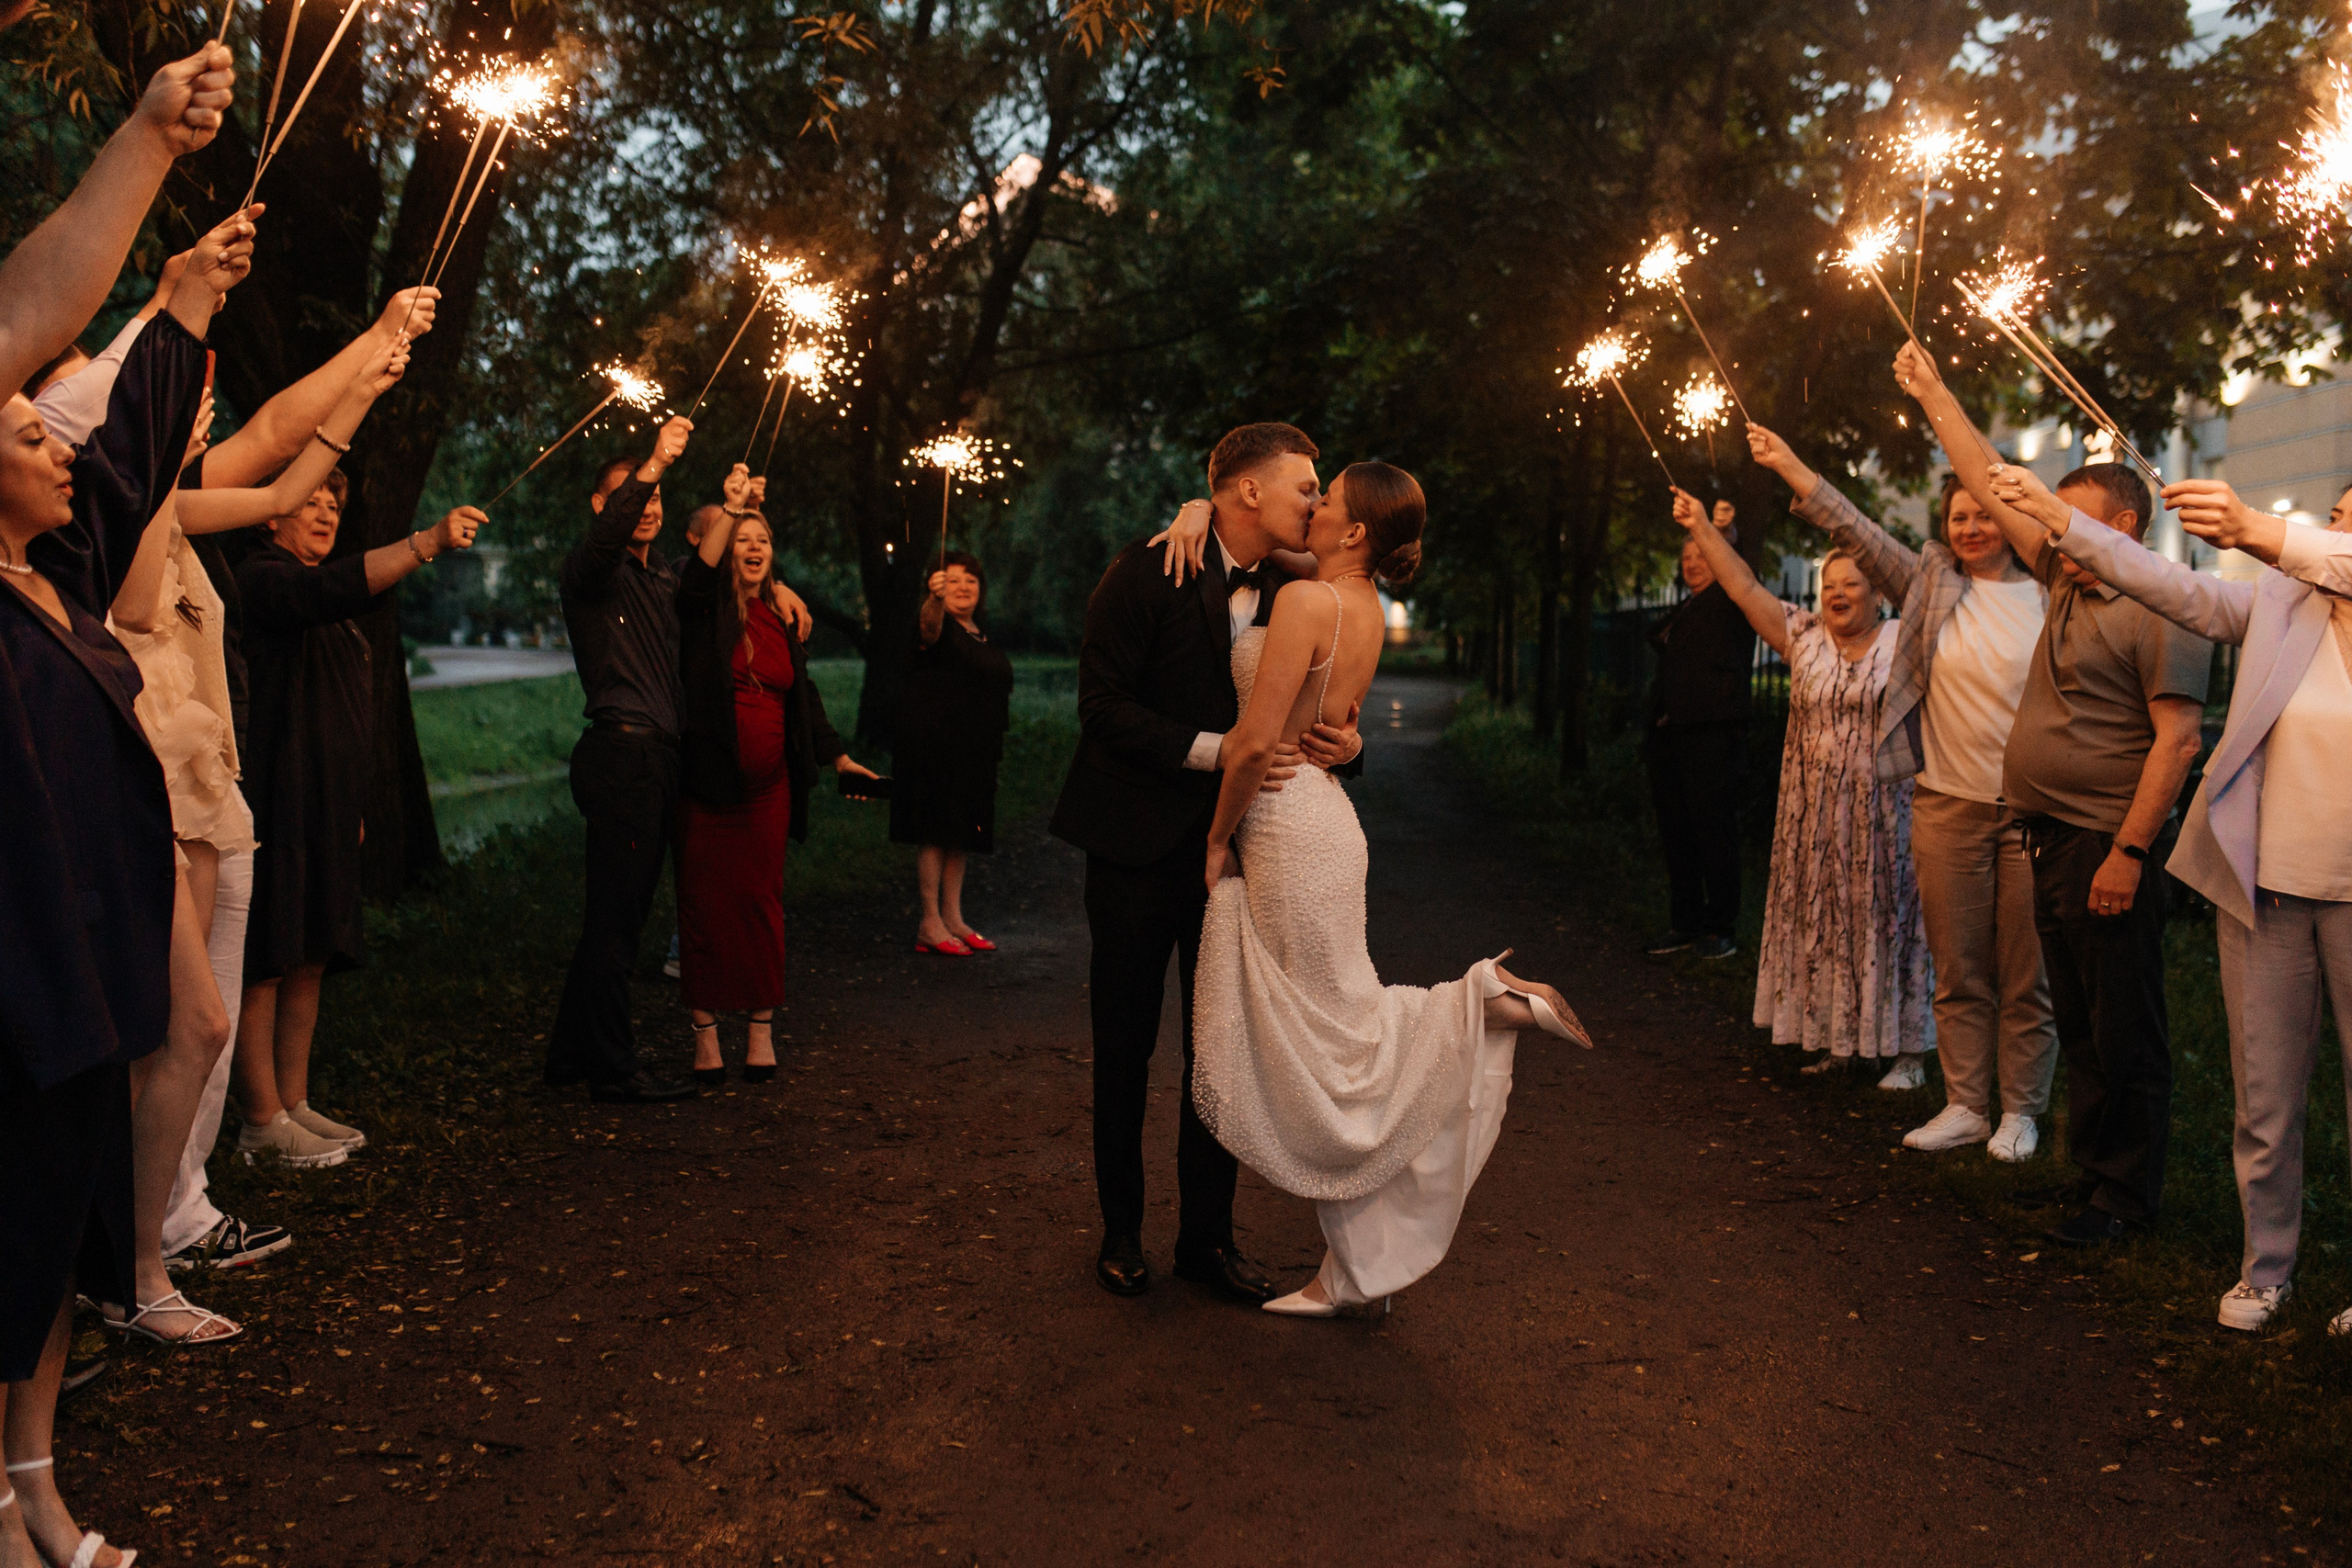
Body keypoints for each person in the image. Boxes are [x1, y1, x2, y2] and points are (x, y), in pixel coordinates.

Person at [1188, 461, 1590, 1316]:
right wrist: (1200, 509)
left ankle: (1483, 1001)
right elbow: (1271, 560)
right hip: (1328, 821)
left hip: (1286, 828)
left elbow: (1254, 743)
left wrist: (1217, 838)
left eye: (1326, 497)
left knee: (1333, 1048)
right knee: (1333, 1035)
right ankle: (1357, 1269)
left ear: (1356, 530)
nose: (1312, 504)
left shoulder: (1307, 602)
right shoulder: (1358, 601)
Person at [1987, 468, 2352, 1334]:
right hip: (2267, 891)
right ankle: (2266, 1269)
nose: (2337, 531)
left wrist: (2253, 523)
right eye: (2336, 515)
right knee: (2263, 1097)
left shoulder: (2296, 561)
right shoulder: (2282, 605)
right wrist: (2063, 523)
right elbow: (2170, 586)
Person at [0, 230, 221, 1568]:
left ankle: (38, 1487)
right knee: (7, 1234)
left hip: (89, 956)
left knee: (48, 1243)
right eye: (32, 434)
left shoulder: (59, 579)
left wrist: (186, 309)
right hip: (22, 965)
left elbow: (129, 454)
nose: (61, 452)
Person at [1899, 342, 2211, 1247]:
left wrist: (2128, 852)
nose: (2055, 535)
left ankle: (2126, 1198)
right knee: (2078, 1017)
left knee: (2124, 1027)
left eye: (2073, 522)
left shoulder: (2167, 606)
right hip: (2046, 835)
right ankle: (2091, 1174)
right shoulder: (2069, 578)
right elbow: (1988, 481)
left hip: (2106, 844)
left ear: (2126, 526)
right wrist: (1933, 390)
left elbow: (2178, 741)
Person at [1048, 423, 1362, 1301]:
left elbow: (1322, 704)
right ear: (1249, 490)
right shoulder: (1145, 571)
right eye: (1306, 486)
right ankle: (1121, 1231)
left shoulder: (1301, 589)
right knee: (1124, 1041)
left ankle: (1207, 1240)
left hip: (1243, 852)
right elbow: (1101, 707)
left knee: (1219, 1049)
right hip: (1133, 847)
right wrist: (1220, 751)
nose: (1316, 501)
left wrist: (1349, 745)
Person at [1748, 422, 2057, 1158]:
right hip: (1947, 804)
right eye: (1959, 516)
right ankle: (1965, 1104)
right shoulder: (1929, 585)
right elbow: (1851, 527)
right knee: (1958, 970)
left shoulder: (2052, 593)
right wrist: (1789, 462)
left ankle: (2021, 1111)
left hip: (2032, 810)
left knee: (2026, 975)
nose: (1972, 527)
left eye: (1985, 513)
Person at [234, 471, 483, 1164]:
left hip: (326, 806)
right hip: (274, 802)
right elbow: (330, 590)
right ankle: (259, 1121)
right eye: (309, 500)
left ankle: (294, 1102)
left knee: (311, 953)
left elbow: (345, 708)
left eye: (332, 503)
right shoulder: (262, 579)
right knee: (268, 958)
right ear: (269, 514)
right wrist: (427, 541)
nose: (325, 512)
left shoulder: (332, 603)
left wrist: (355, 800)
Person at [1670, 490, 1935, 1078]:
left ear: (1878, 592)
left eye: (1852, 583)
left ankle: (1908, 1053)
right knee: (1829, 928)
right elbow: (1743, 587)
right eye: (1829, 585)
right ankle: (1841, 1043)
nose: (1838, 593)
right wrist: (1702, 528)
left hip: (1889, 817)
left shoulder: (1905, 642)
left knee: (1893, 926)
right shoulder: (1804, 637)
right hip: (1814, 819)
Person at [674, 475, 876, 1083]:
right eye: (742, 539)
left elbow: (802, 696)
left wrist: (838, 757)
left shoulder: (782, 616)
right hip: (708, 788)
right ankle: (706, 1036)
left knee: (762, 904)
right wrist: (732, 509)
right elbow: (694, 580)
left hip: (770, 792)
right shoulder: (703, 611)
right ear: (724, 548)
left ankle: (760, 1029)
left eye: (763, 539)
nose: (754, 547)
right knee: (704, 905)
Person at [1643, 500, 1753, 960]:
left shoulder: (1731, 600)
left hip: (1710, 737)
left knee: (1713, 830)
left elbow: (1738, 568)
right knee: (1678, 831)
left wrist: (1722, 532)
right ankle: (1685, 921)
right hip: (1672, 739)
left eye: (1701, 555)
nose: (1692, 563)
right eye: (1686, 557)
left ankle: (1720, 928)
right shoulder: (1687, 608)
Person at [894, 550, 1014, 954]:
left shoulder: (980, 631)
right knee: (935, 829)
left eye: (971, 580)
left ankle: (954, 917)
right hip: (935, 748)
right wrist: (933, 599)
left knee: (962, 833)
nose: (963, 587)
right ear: (938, 586)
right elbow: (928, 629)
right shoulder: (934, 624)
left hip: (976, 750)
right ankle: (930, 922)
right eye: (953, 580)